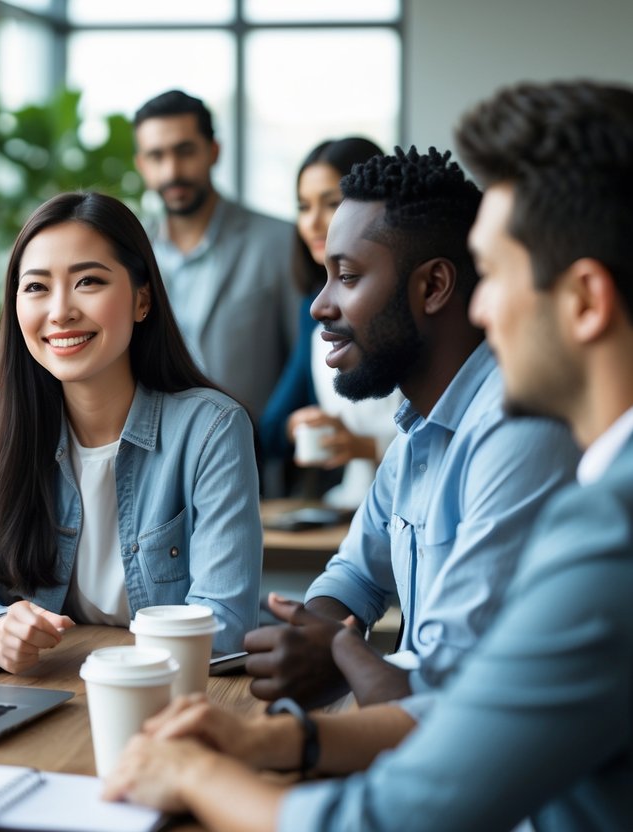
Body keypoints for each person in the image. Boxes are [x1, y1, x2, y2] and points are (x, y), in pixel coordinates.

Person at [105, 78, 633, 832]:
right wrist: (276, 734)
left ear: (583, 300)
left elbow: (388, 814)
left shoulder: (608, 526)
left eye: (500, 276)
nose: (483, 310)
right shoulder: (437, 430)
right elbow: (414, 663)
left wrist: (194, 770)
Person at [242, 147, 579, 709]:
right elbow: (353, 575)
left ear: (433, 286)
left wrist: (339, 656)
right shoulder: (418, 431)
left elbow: (443, 693)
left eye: (347, 276)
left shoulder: (517, 428)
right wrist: (313, 639)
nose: (320, 306)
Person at [0, 192, 262, 674]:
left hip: (166, 704)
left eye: (88, 281)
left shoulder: (211, 429)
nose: (60, 311)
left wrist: (102, 661)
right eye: (36, 287)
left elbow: (222, 626)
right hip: (44, 696)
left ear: (142, 300)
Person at [133, 89, 299, 422]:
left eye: (185, 151)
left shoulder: (280, 242)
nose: (172, 171)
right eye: (156, 156)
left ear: (214, 151)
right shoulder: (130, 251)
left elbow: (304, 365)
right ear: (141, 165)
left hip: (256, 454)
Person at [258, 137, 404, 508]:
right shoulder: (316, 308)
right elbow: (272, 428)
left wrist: (366, 446)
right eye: (304, 206)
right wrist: (299, 425)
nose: (313, 222)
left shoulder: (413, 305)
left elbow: (451, 432)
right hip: (352, 511)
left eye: (332, 203)